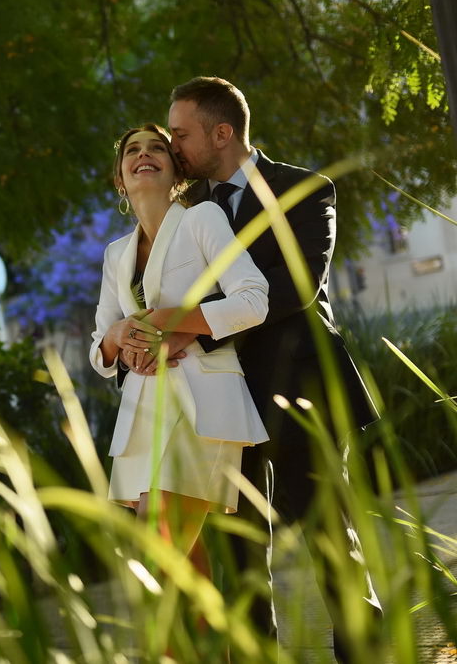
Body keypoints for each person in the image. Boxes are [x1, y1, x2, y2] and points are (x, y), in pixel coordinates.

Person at [162, 76, 381, 662]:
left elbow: (295, 290)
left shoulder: (306, 190)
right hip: (225, 397)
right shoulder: (187, 215)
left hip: (301, 387)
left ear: (223, 132)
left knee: (327, 534)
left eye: (181, 134)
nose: (173, 144)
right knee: (239, 547)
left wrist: (186, 323)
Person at [89, 123, 270, 574]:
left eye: (157, 148)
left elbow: (253, 299)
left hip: (201, 407)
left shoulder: (201, 219)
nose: (143, 154)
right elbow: (100, 347)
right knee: (188, 573)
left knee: (161, 557)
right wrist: (119, 338)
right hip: (142, 417)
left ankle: (157, 649)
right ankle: (209, 649)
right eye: (132, 149)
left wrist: (172, 320)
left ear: (177, 174)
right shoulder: (116, 254)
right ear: (119, 178)